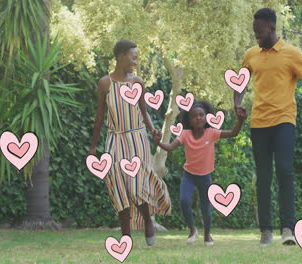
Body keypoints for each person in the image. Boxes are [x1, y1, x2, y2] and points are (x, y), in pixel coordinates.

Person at [234, 8, 302, 246]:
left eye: (260, 31)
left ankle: (288, 228)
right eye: (255, 32)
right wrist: (237, 103)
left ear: (272, 28)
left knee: (285, 171)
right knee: (263, 176)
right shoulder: (251, 54)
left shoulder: (292, 53)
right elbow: (241, 82)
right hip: (259, 123)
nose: (256, 35)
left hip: (284, 121)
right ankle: (266, 230)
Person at [88, 40, 171, 246]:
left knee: (136, 186)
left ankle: (147, 220)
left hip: (137, 138)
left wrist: (152, 130)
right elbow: (100, 116)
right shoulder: (105, 83)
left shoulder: (138, 83)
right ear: (120, 56)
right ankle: (126, 235)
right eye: (133, 56)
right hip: (114, 138)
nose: (136, 60)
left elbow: (144, 111)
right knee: (117, 185)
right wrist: (92, 146)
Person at [153, 100, 247, 245]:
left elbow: (233, 133)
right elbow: (170, 147)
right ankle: (192, 230)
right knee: (184, 201)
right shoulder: (185, 134)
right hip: (189, 175)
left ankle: (207, 235)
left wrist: (240, 120)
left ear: (206, 117)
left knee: (206, 208)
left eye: (201, 115)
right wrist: (158, 142)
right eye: (194, 116)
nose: (198, 118)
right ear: (189, 120)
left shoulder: (212, 133)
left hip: (205, 176)